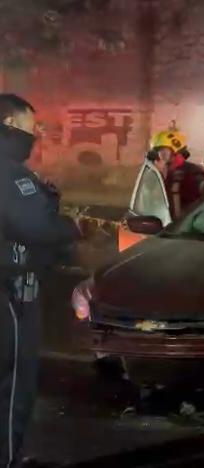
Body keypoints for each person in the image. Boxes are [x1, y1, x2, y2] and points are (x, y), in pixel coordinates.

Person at [0, 94, 79, 467]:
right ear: (10, 126)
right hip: (10, 297)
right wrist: (69, 226)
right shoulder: (9, 172)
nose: (35, 139)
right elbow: (35, 228)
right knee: (14, 385)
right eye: (32, 130)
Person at [149, 130, 204, 218]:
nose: (158, 158)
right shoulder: (163, 173)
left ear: (175, 153)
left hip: (184, 228)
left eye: (163, 153)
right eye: (157, 154)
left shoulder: (191, 172)